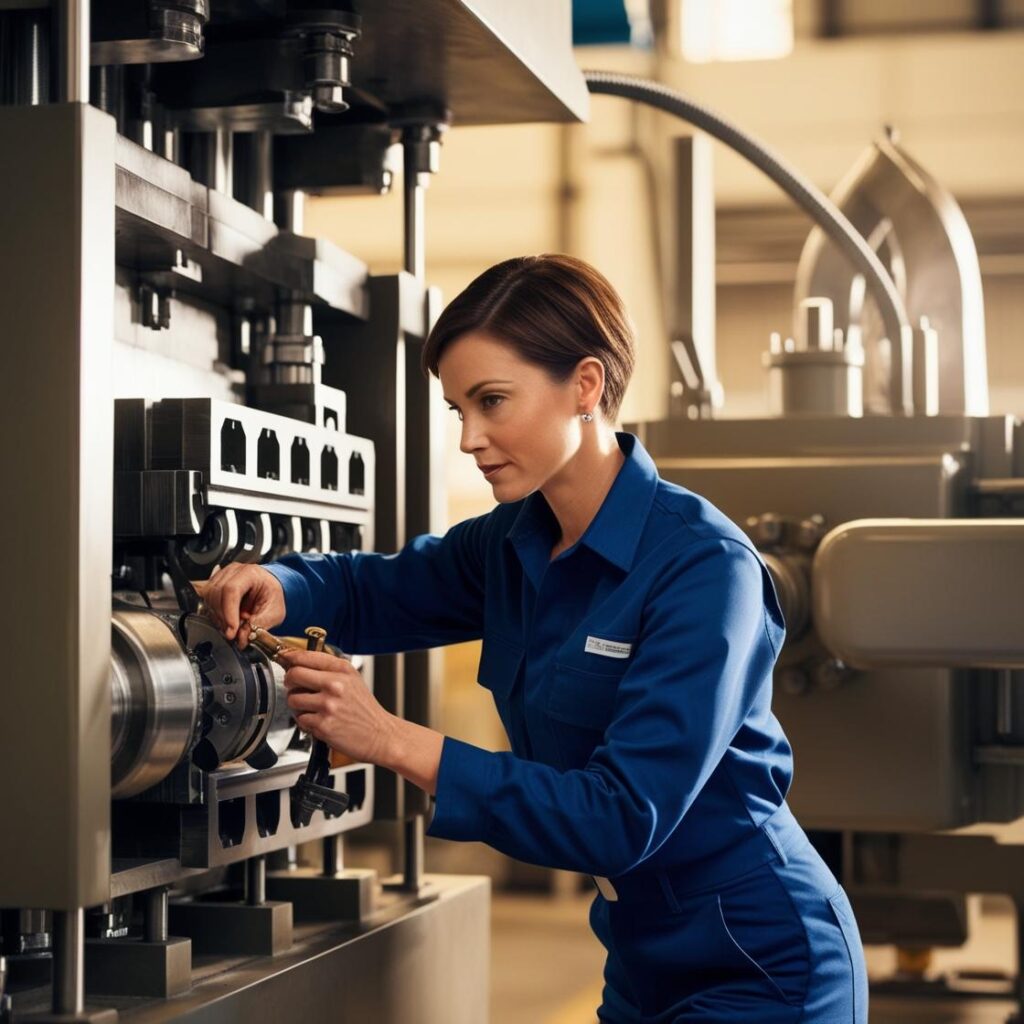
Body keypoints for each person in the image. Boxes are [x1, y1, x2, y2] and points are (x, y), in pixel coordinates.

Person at [196, 254, 869, 1023]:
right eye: (457, 410)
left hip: (761, 957)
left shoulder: (704, 569)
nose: (469, 439)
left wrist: (385, 737)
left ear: (585, 386)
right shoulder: (513, 541)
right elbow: (375, 587)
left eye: (492, 401)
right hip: (639, 951)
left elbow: (619, 818)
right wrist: (284, 586)